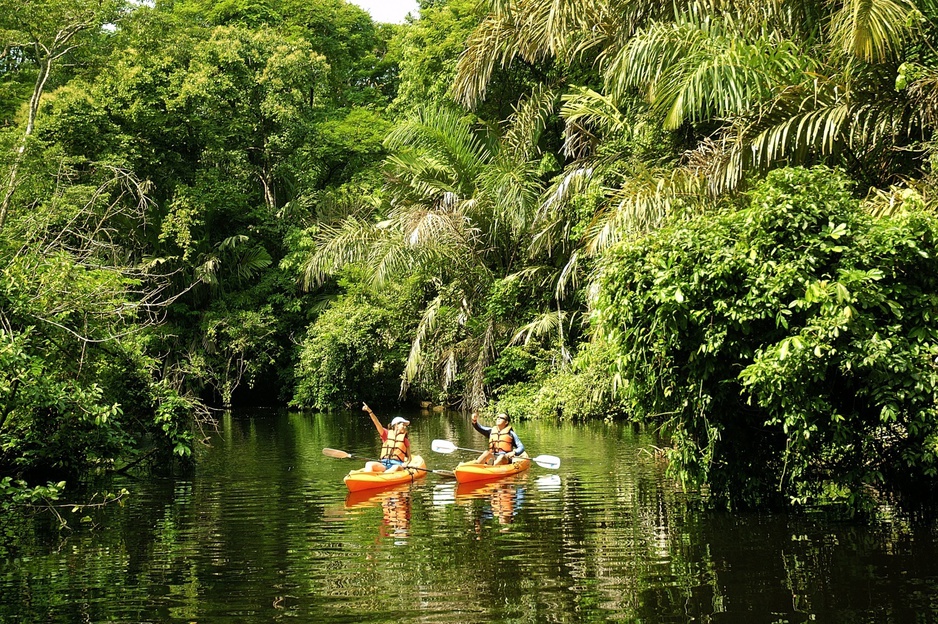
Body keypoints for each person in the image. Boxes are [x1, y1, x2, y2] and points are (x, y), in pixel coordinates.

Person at [363, 402, 411, 473]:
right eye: (403, 424)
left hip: (398, 464)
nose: (405, 427)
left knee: (395, 467)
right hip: (384, 464)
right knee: (369, 464)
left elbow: (409, 458)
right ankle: (367, 479)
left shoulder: (405, 439)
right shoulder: (386, 434)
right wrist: (370, 412)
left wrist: (406, 464)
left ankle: (382, 478)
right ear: (396, 425)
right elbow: (377, 423)